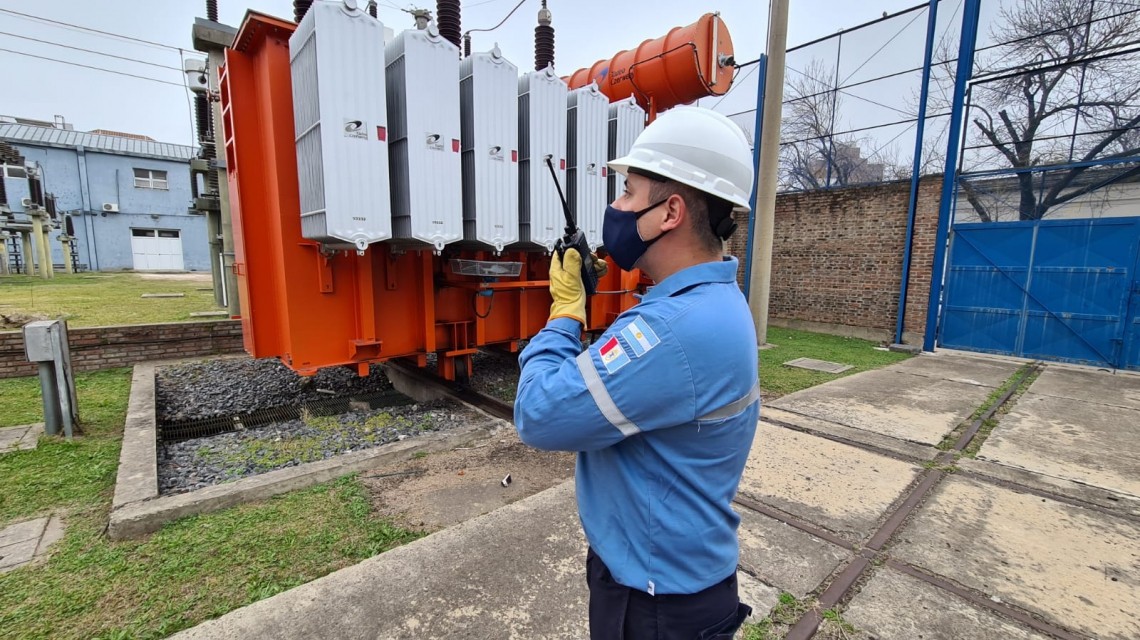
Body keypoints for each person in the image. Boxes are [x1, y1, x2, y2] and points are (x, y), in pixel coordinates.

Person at [514, 106, 760, 639]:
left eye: (628, 190)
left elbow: (538, 414)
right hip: (683, 580)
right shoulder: (714, 302)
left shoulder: (674, 330)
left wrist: (564, 311)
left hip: (655, 605)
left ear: (670, 212)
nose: (616, 206)